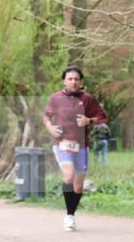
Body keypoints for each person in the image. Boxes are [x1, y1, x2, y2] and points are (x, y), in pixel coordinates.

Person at [43, 67, 108, 231]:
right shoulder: (56, 98)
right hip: (62, 143)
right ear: (64, 81)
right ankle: (69, 217)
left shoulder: (87, 99)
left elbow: (103, 117)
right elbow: (46, 116)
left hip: (82, 146)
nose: (73, 82)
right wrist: (50, 128)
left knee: (78, 186)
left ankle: (70, 214)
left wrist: (89, 121)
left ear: (81, 82)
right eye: (70, 79)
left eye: (76, 79)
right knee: (68, 175)